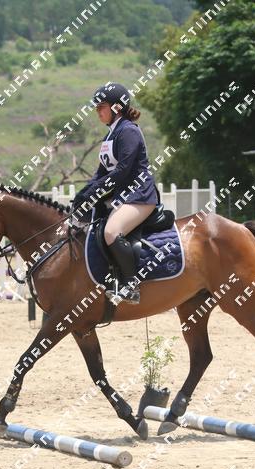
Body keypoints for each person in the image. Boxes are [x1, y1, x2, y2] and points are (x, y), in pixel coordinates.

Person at [71, 83, 159, 304]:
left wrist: (95, 191)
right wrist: (84, 193)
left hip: (139, 195)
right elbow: (101, 172)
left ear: (116, 107)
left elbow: (123, 170)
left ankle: (131, 286)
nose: (97, 112)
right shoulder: (110, 136)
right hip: (123, 197)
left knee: (111, 232)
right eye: (96, 108)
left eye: (101, 107)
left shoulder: (128, 131)